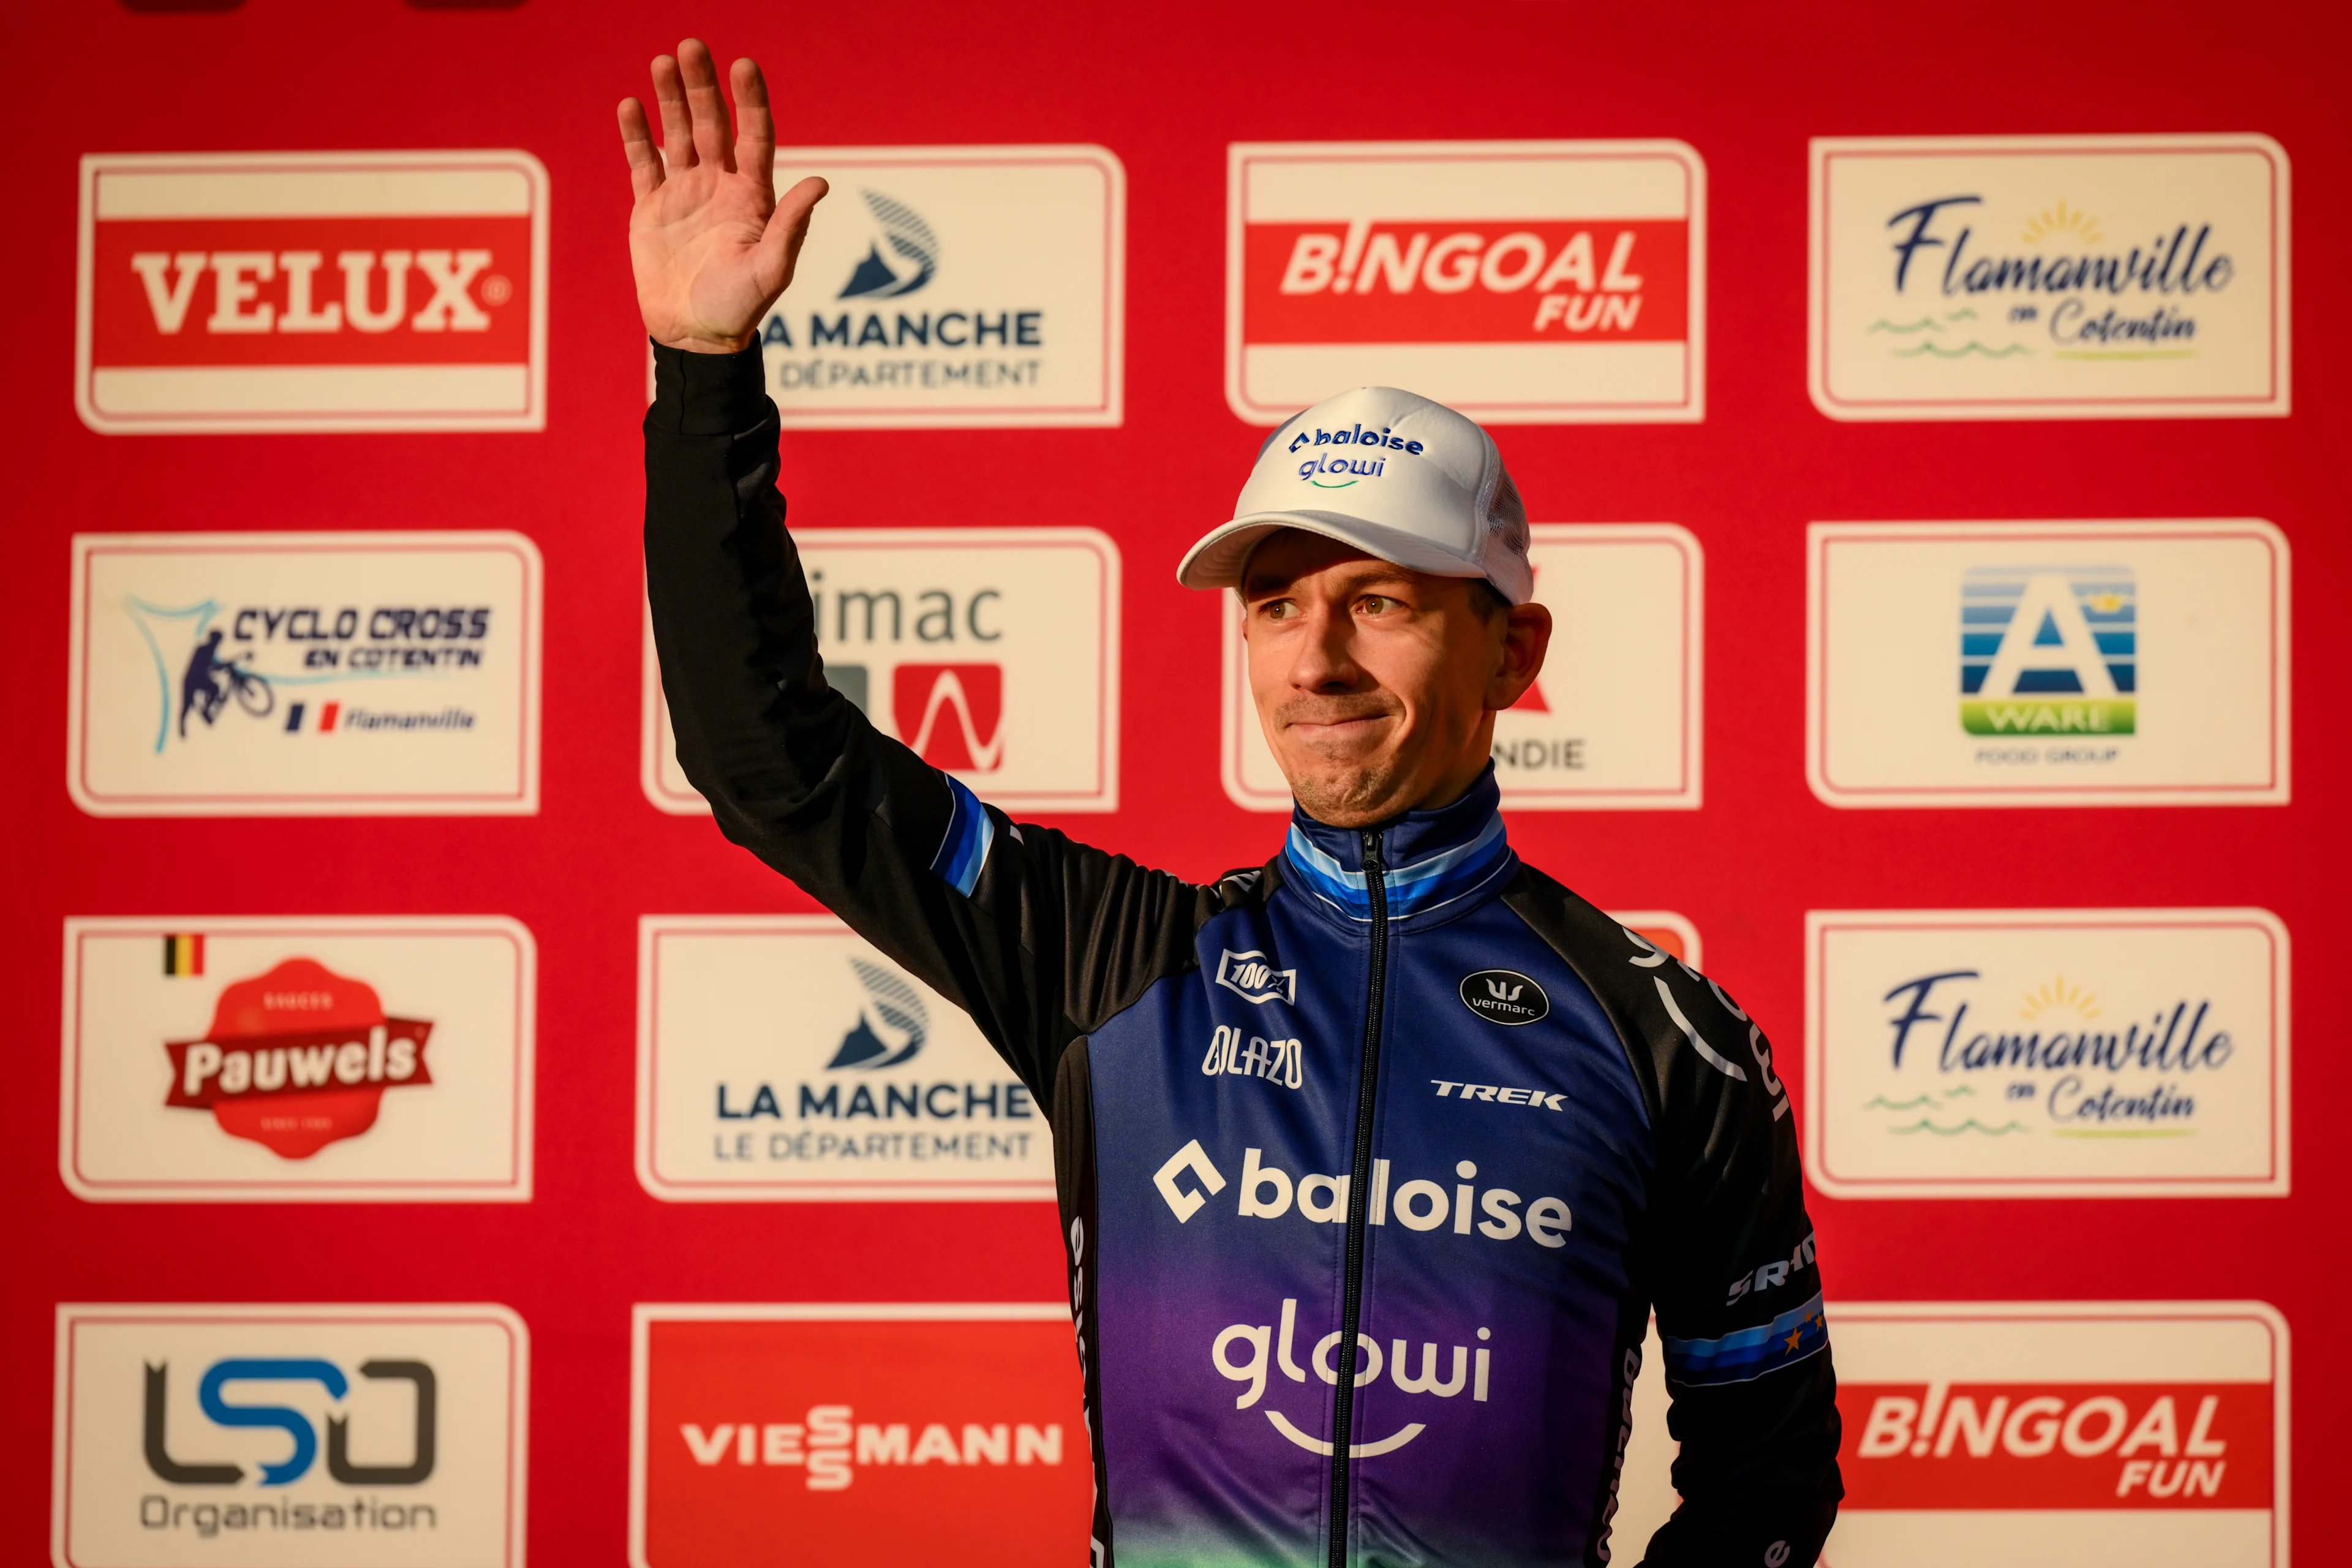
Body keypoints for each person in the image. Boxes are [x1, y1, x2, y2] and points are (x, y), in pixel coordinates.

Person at [622, 40, 1841, 1568]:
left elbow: (1768, 1478)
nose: (1315, 658)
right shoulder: (1114, 960)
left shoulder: (1672, 1035)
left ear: (1513, 648)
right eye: (1273, 606)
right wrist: (702, 374)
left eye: (1379, 598)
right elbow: (769, 760)